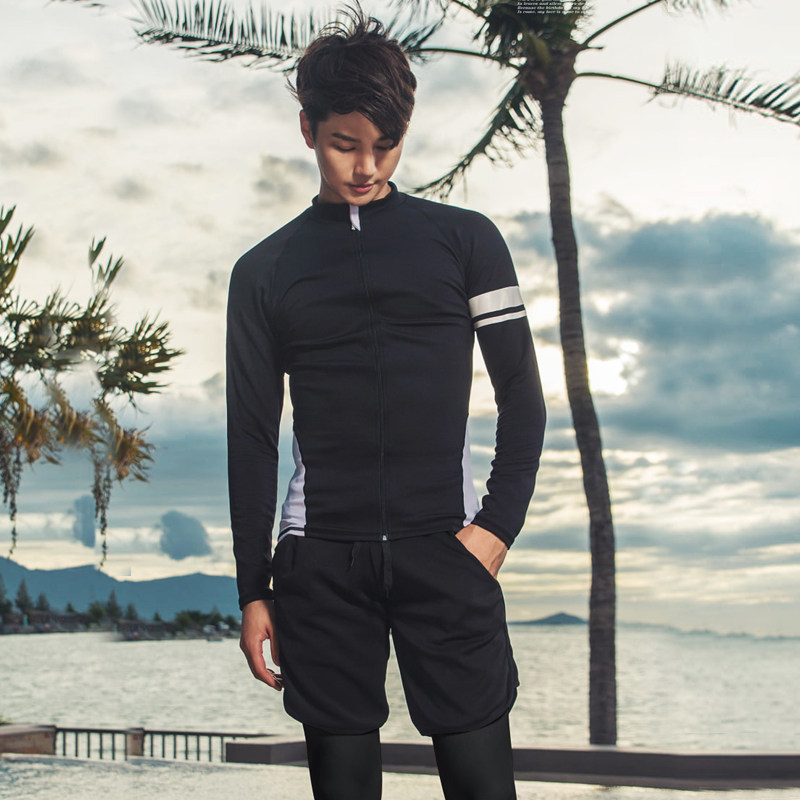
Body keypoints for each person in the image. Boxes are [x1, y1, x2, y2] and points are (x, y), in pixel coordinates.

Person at [226, 7, 546, 800]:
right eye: (345, 144)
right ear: (308, 128)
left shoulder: (466, 242)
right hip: (320, 565)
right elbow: (252, 438)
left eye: (386, 144)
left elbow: (522, 396)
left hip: (447, 549)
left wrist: (495, 529)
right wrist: (253, 589)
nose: (366, 166)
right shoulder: (264, 272)